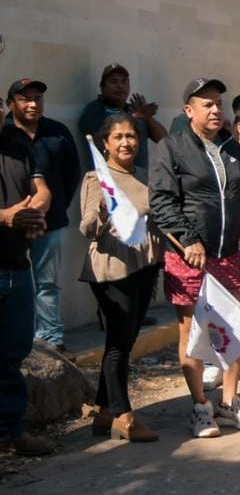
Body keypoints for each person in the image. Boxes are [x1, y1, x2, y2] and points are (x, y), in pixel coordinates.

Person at [149, 78, 240, 438]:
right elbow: (162, 202)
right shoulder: (172, 147)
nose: (216, 110)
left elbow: (239, 197)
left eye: (218, 104)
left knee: (232, 331)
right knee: (192, 333)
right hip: (190, 256)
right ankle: (201, 408)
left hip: (229, 253)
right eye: (207, 104)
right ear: (189, 111)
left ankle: (229, 404)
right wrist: (188, 241)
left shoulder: (230, 149)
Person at [80, 113, 162, 442]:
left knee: (124, 342)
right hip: (112, 270)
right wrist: (100, 214)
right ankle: (123, 415)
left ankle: (102, 412)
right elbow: (86, 228)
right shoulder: (96, 178)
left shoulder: (143, 175)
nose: (126, 142)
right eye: (118, 137)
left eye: (131, 136)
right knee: (118, 345)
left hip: (144, 267)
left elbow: (154, 221)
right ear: (106, 143)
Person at [5, 79, 81, 352]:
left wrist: (53, 206)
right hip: (7, 229)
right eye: (26, 98)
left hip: (48, 223)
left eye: (38, 98)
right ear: (10, 103)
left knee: (47, 282)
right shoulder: (6, 134)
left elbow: (72, 173)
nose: (33, 104)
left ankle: (50, 338)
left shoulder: (56, 131)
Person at [0, 94, 52, 456]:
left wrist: (35, 210)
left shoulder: (16, 144)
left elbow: (41, 188)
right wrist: (4, 217)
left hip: (16, 266)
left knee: (12, 353)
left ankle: (10, 431)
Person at [77, 63, 166, 170]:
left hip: (139, 180)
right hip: (109, 182)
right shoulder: (94, 109)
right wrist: (133, 117)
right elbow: (99, 143)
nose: (120, 86)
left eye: (124, 81)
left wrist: (147, 118)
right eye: (113, 81)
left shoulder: (134, 110)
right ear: (102, 87)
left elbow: (164, 139)